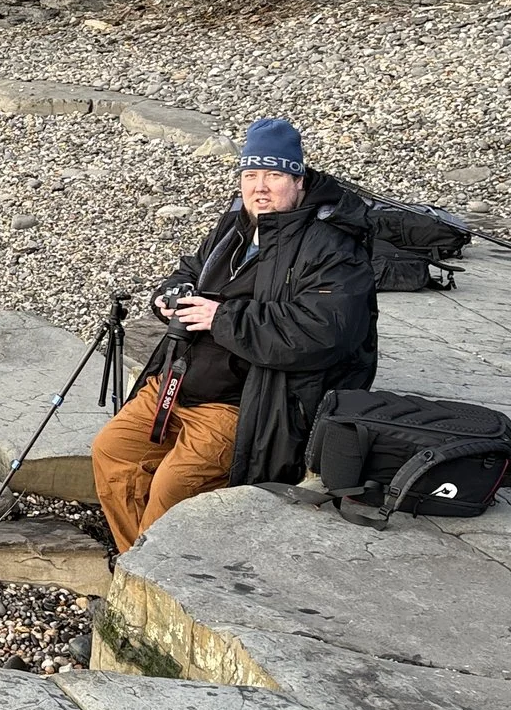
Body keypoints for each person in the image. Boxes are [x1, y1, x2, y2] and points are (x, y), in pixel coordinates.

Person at [89, 118, 378, 554]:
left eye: (274, 175)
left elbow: (323, 333)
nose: (259, 187)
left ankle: (153, 573)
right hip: (176, 385)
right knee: (113, 451)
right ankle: (138, 564)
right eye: (250, 175)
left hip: (244, 402)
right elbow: (191, 269)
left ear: (299, 180)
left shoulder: (333, 245)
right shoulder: (237, 222)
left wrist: (221, 318)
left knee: (171, 487)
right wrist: (169, 296)